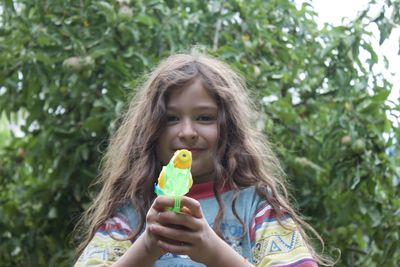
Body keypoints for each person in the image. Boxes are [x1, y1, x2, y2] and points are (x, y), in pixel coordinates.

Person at [74, 52, 330, 266]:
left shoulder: (256, 206)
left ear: (229, 130)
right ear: (150, 132)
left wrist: (212, 251)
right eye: (170, 119)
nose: (187, 132)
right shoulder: (131, 212)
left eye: (205, 118)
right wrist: (148, 245)